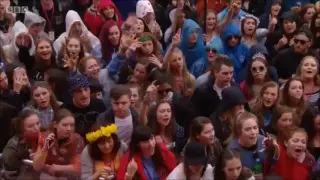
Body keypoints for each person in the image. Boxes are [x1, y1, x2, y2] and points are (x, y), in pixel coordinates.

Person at [32, 109, 85, 179]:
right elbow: (37, 167)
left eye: (72, 125)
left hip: (69, 177)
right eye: (65, 125)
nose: (69, 129)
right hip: (48, 176)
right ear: (55, 125)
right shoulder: (46, 137)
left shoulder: (77, 139)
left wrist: (57, 168)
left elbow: (78, 167)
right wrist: (44, 149)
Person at [63, 74, 106, 139]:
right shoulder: (66, 108)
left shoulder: (99, 104)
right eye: (79, 91)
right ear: (72, 93)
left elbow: (106, 125)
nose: (84, 94)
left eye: (86, 89)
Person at [2, 109, 40, 180]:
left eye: (38, 123)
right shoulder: (12, 149)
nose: (36, 128)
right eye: (30, 126)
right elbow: (10, 177)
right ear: (22, 129)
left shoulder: (46, 136)